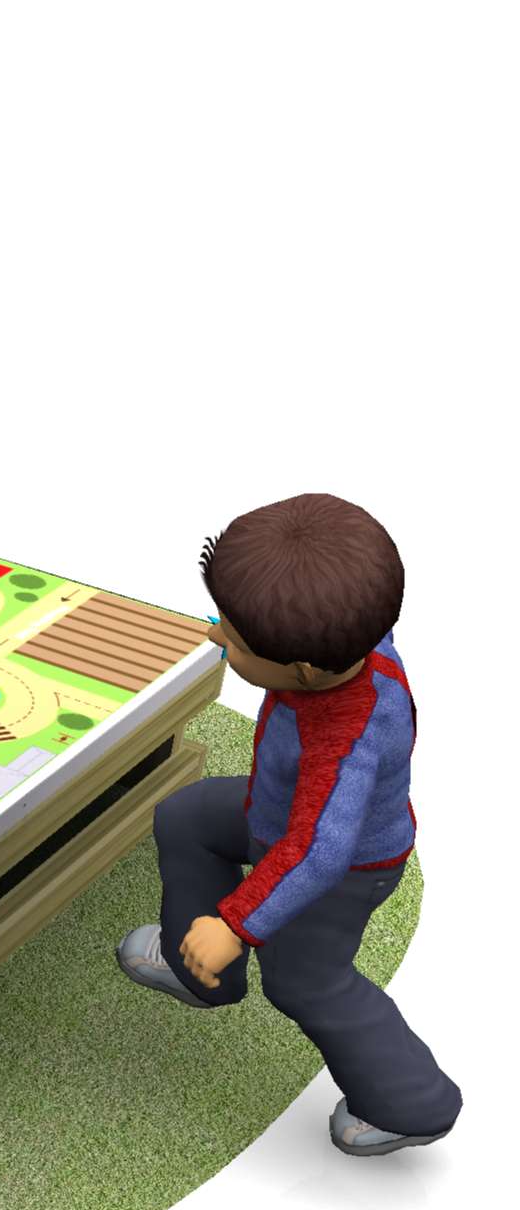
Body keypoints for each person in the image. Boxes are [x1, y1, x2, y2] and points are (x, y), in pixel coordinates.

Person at [115, 492, 461, 1155]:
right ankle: (199, 973)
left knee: (305, 981)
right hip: (277, 816)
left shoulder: (344, 744)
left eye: (234, 639)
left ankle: (412, 1105)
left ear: (301, 669)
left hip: (343, 867)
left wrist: (234, 925)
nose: (217, 637)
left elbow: (317, 853)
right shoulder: (348, 639)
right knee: (188, 817)